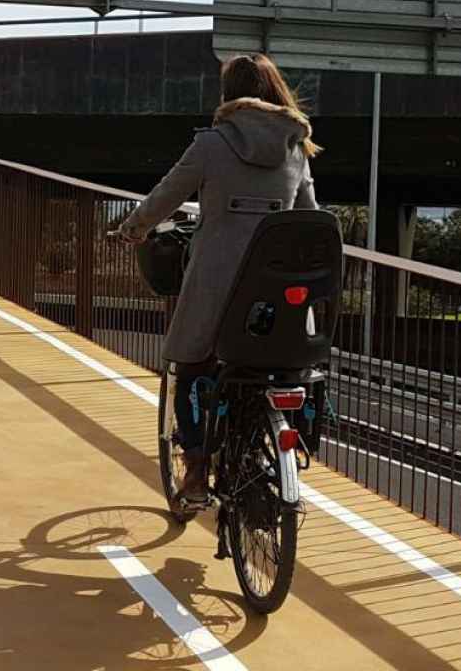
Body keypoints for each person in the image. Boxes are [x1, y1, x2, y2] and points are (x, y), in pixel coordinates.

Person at [115, 53, 320, 505]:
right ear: (276, 92)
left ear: (229, 95)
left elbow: (166, 195)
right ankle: (270, 451)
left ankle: (195, 474)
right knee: (274, 371)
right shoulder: (295, 147)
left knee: (191, 369)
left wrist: (132, 229)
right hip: (275, 294)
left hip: (217, 289)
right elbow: (310, 218)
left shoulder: (212, 144)